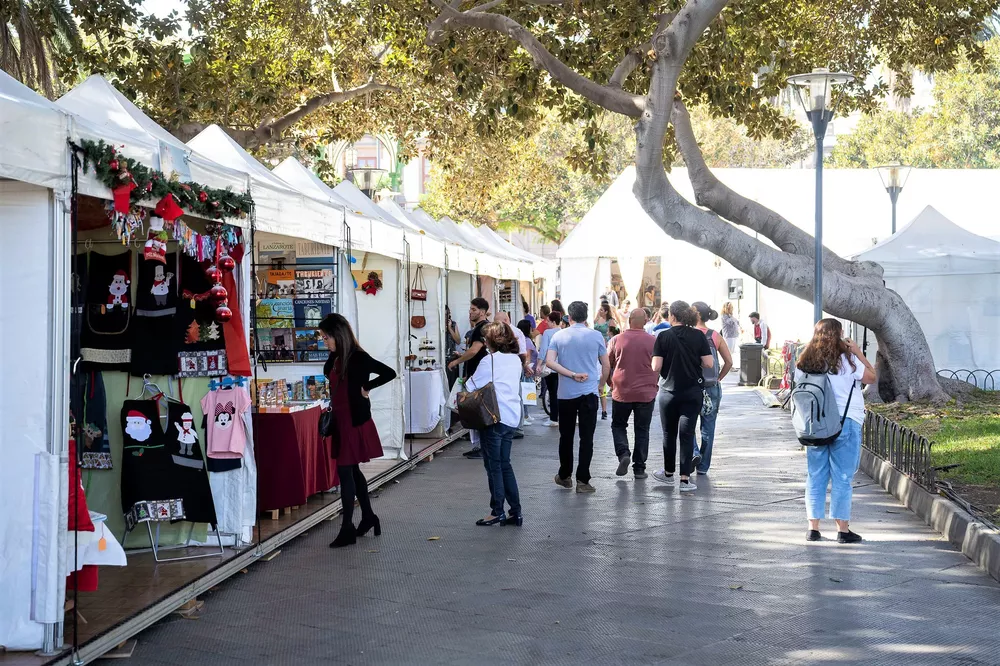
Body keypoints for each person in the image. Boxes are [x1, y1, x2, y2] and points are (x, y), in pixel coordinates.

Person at [319, 314, 396, 548]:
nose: (324, 341)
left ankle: (347, 528)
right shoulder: (336, 356)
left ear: (338, 335)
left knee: (346, 472)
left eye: (326, 337)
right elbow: (328, 375)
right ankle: (369, 517)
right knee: (352, 471)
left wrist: (367, 387)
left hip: (353, 421)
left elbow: (389, 372)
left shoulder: (359, 357)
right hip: (342, 421)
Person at [796, 319, 875, 544]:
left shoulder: (805, 361)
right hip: (846, 421)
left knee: (816, 474)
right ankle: (843, 529)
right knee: (842, 475)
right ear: (839, 335)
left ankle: (813, 528)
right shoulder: (848, 360)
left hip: (817, 424)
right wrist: (858, 352)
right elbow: (872, 376)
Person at [545, 301, 609, 493]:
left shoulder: (559, 335)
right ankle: (583, 480)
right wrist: (600, 385)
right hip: (589, 392)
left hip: (566, 394)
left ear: (569, 317)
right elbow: (606, 365)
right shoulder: (596, 336)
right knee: (587, 437)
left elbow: (550, 362)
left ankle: (565, 475)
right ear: (586, 316)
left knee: (566, 436)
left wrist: (571, 374)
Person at [651, 301, 714, 492]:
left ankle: (668, 473)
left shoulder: (663, 336)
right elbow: (709, 363)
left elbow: (656, 367)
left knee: (668, 434)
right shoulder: (698, 335)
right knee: (687, 435)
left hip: (669, 392)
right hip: (692, 392)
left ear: (672, 316)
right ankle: (685, 480)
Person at [465, 323, 524, 526]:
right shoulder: (516, 359)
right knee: (505, 464)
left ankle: (496, 510)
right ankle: (515, 511)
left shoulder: (488, 360)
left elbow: (471, 385)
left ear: (489, 340)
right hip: (511, 416)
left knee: (493, 466)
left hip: (493, 417)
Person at [606, 308, 658, 479]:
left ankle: (623, 454)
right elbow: (660, 365)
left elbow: (607, 363)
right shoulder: (653, 341)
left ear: (629, 321)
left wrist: (609, 383)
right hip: (646, 392)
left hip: (622, 389)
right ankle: (640, 469)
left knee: (619, 425)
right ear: (644, 321)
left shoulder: (616, 340)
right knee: (642, 429)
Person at [691, 302, 734, 475]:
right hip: (712, 387)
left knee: (687, 423)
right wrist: (718, 378)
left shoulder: (688, 335)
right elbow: (729, 362)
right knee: (708, 427)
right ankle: (703, 466)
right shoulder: (715, 336)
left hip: (692, 386)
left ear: (697, 315)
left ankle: (694, 452)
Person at [448, 298, 491, 458]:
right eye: (470, 309)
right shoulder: (484, 327)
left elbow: (474, 351)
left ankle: (482, 447)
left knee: (477, 411)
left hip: (479, 376)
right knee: (476, 410)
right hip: (476, 374)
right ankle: (480, 446)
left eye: (473, 309)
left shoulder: (482, 328)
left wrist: (456, 361)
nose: (470, 312)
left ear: (482, 311)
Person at [536, 311, 563, 427]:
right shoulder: (563, 332)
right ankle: (561, 416)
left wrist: (538, 364)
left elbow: (543, 350)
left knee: (552, 393)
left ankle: (553, 419)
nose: (546, 323)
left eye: (548, 321)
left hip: (551, 367)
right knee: (561, 393)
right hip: (562, 368)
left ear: (553, 322)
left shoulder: (547, 333)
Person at [444, 305, 462, 390]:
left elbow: (458, 341)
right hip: (442, 357)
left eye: (447, 314)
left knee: (452, 383)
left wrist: (450, 329)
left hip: (451, 356)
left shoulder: (453, 324)